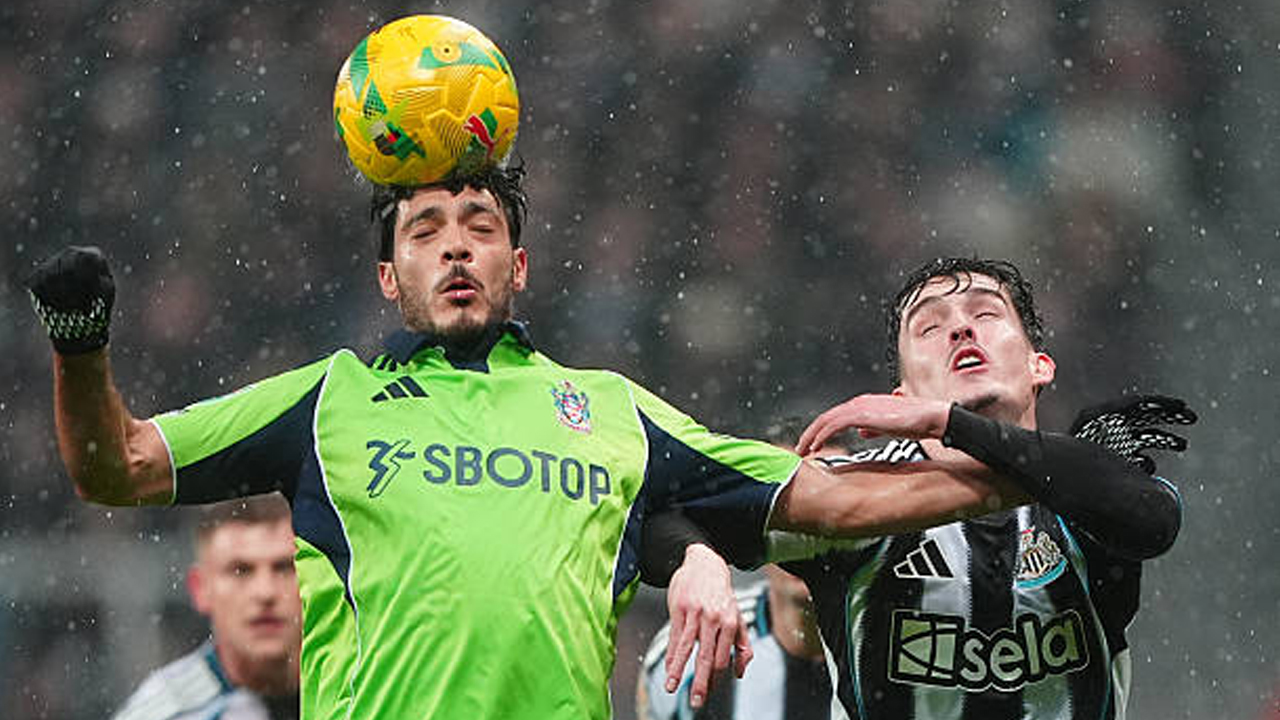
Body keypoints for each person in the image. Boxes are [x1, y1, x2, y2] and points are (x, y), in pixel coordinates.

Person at [25, 70, 1041, 719]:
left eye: (478, 224)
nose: (455, 244)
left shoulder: (611, 408)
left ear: (520, 264)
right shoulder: (324, 401)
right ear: (388, 279)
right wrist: (82, 348)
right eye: (423, 231)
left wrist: (1002, 477)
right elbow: (116, 467)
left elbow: (830, 500)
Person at [644, 257, 1196, 720]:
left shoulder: (1080, 492)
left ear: (1039, 366)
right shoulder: (861, 495)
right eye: (930, 327)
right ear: (901, 393)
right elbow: (660, 510)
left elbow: (1153, 520)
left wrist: (949, 424)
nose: (960, 329)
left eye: (985, 312)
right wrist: (698, 559)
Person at [637, 422, 840, 720]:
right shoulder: (692, 645)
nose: (807, 536)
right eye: (789, 512)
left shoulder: (898, 637)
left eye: (827, 510)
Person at [110, 495, 301, 720]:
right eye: (241, 570)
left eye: (285, 568)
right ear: (200, 588)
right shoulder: (161, 714)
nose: (265, 592)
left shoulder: (350, 691)